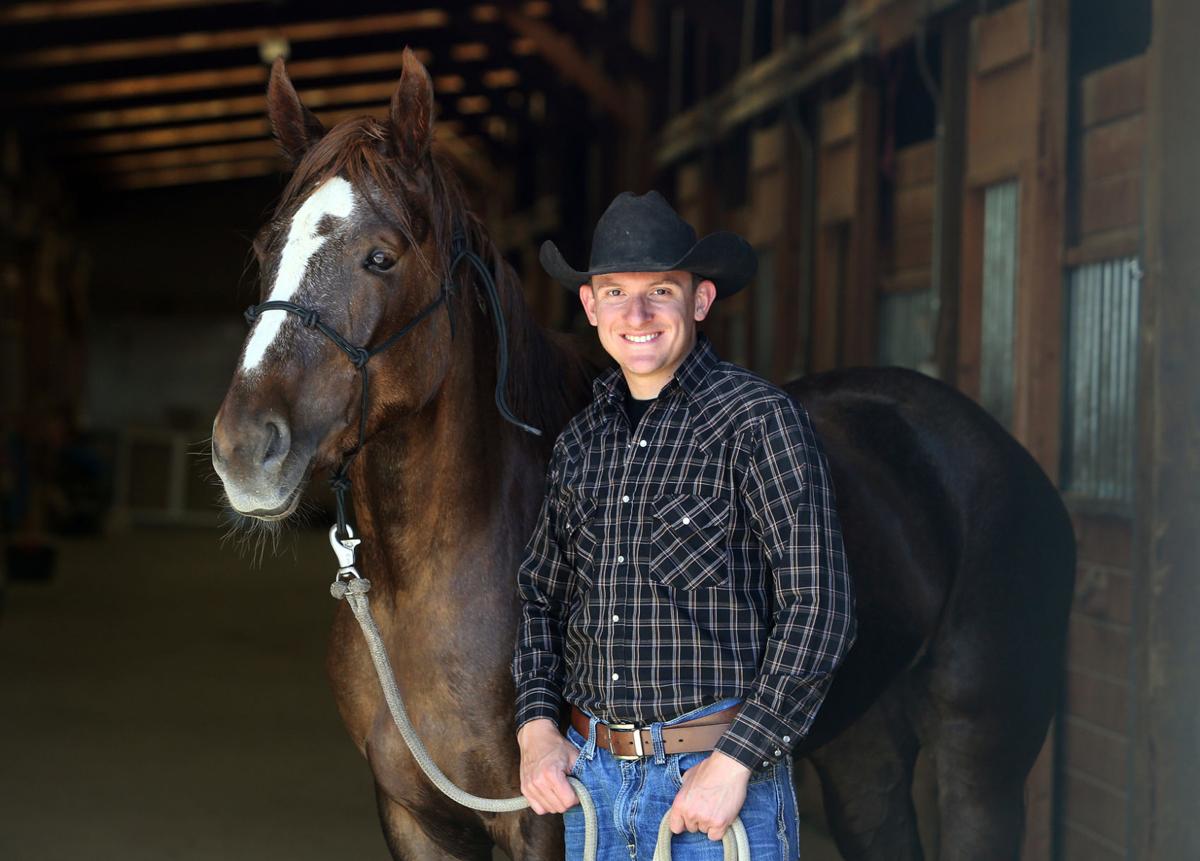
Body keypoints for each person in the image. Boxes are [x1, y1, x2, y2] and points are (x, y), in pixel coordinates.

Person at [512, 190, 856, 861]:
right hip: (595, 786)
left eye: (660, 291)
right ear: (590, 307)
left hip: (711, 784)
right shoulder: (580, 442)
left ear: (700, 299)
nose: (635, 315)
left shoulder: (759, 421)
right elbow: (538, 597)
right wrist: (536, 727)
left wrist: (736, 760)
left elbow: (822, 607)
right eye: (614, 292)